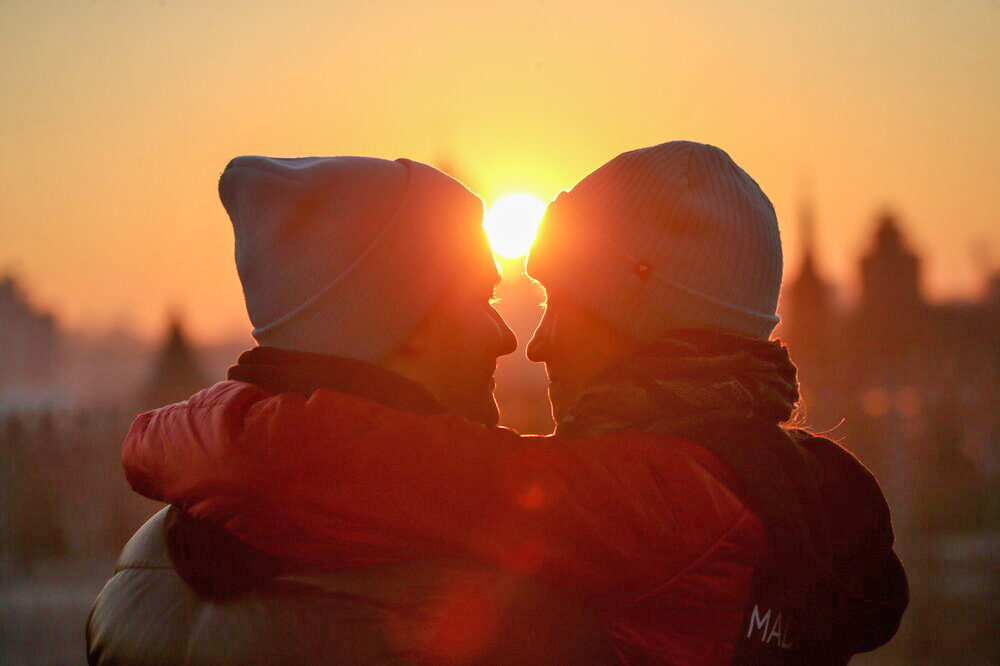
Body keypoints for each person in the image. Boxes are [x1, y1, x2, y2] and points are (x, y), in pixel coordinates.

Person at [96, 143, 908, 665]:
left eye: (565, 307)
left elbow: (309, 462)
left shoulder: (647, 501)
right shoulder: (764, 481)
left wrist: (174, 433)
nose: (531, 344)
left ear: (639, 326)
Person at [87, 155, 618, 665]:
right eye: (484, 300)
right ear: (404, 329)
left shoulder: (143, 568)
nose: (505, 339)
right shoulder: (479, 615)